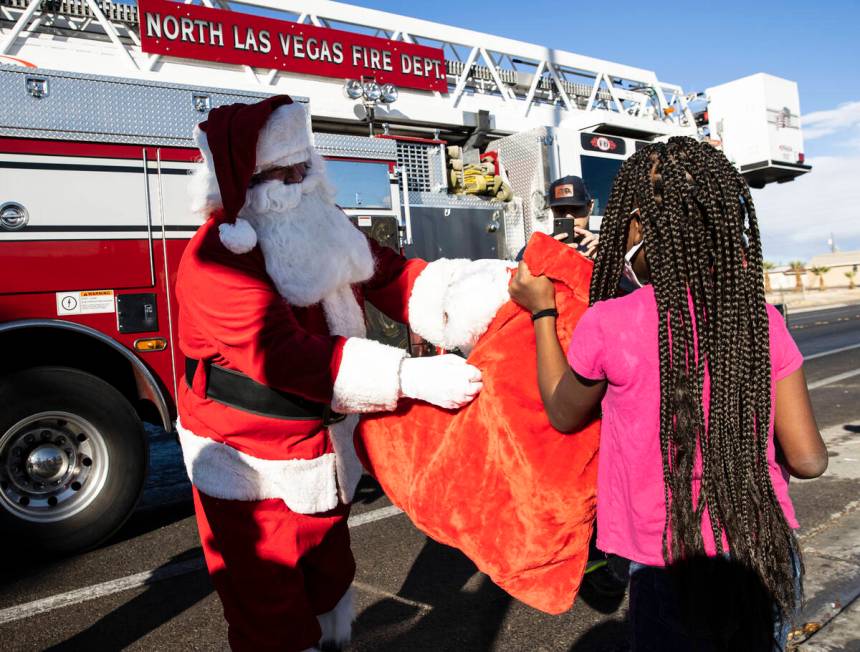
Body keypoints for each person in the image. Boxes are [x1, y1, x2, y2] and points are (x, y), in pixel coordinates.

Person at [175, 95, 513, 652]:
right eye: (286, 173)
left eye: (307, 168)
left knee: (330, 579)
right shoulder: (217, 257)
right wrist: (408, 376)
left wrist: (492, 291)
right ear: (249, 182)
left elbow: (391, 275)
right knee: (270, 610)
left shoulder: (318, 222)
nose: (303, 182)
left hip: (321, 446)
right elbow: (280, 354)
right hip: (249, 465)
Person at [509, 137, 828, 650]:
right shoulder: (761, 319)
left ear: (637, 224)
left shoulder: (609, 322)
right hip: (763, 553)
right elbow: (810, 460)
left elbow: (563, 413)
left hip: (665, 563)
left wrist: (542, 311)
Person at [548, 174, 599, 259]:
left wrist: (605, 259)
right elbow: (520, 271)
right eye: (560, 210)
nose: (568, 217)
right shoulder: (536, 246)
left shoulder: (605, 247)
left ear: (590, 206)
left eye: (576, 208)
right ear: (552, 211)